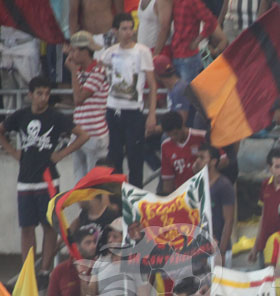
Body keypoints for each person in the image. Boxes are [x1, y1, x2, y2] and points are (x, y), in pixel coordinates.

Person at [0, 76, 89, 276]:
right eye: (39, 93)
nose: (44, 97)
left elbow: (83, 135)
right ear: (30, 94)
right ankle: (27, 271)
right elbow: (2, 130)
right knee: (26, 227)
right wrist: (13, 152)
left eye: (47, 93)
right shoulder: (20, 115)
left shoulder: (56, 117)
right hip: (24, 180)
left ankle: (45, 269)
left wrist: (61, 154)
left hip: (48, 179)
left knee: (48, 226)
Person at [99, 13, 158, 188]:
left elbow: (152, 85)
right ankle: (117, 200)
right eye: (124, 29)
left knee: (135, 158)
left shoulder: (142, 51)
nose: (128, 32)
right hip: (113, 109)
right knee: (114, 158)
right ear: (115, 31)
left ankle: (136, 200)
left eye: (130, 28)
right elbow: (102, 74)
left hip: (133, 111)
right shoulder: (109, 53)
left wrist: (151, 114)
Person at [66, 31, 110, 181]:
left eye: (75, 50)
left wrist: (72, 72)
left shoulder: (98, 71)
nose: (72, 54)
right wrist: (74, 72)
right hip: (79, 131)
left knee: (94, 182)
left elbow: (78, 99)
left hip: (94, 134)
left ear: (85, 51)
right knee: (79, 181)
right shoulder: (80, 71)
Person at [195, 144, 235, 265]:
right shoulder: (197, 184)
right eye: (197, 157)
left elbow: (229, 221)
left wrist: (221, 253)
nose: (197, 161)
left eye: (202, 158)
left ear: (213, 162)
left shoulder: (223, 185)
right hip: (201, 251)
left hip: (218, 250)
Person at [168, 0, 227, 81]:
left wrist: (197, 41)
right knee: (182, 90)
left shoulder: (193, 2)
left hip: (188, 55)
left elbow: (210, 21)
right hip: (178, 53)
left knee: (187, 91)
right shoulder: (178, 2)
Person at [160, 111, 206, 192]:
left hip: (203, 189)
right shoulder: (166, 146)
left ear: (182, 126)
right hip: (182, 194)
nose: (173, 137)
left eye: (175, 134)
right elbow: (168, 179)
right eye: (169, 135)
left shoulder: (201, 137)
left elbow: (223, 160)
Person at [0, 27, 41, 111]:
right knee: (8, 94)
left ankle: (27, 120)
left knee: (27, 90)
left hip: (26, 45)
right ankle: (10, 121)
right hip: (4, 46)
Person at [152, 55, 194, 126]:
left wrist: (156, 129)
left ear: (156, 74)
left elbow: (180, 123)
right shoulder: (174, 88)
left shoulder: (179, 90)